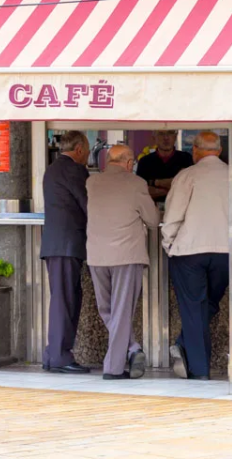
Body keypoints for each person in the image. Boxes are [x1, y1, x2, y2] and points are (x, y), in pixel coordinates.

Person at [162, 131, 232, 380]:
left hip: (190, 251)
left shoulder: (187, 175)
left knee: (194, 308)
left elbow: (173, 214)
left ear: (195, 151)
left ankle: (199, 371)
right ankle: (184, 344)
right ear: (219, 151)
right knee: (209, 303)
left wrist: (169, 244)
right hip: (225, 251)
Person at [85, 144, 159, 380]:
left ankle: (132, 349)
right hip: (126, 255)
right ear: (129, 164)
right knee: (121, 311)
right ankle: (114, 367)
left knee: (107, 309)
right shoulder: (136, 183)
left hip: (97, 255)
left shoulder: (92, 182)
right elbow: (153, 220)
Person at [41, 130, 90, 374]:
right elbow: (88, 203)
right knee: (65, 300)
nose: (88, 156)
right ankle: (60, 355)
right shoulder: (75, 170)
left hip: (57, 244)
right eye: (88, 151)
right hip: (67, 243)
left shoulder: (53, 168)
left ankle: (54, 354)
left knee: (63, 298)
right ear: (79, 149)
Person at [137, 129, 194, 201]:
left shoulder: (186, 159)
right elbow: (142, 192)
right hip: (152, 209)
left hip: (180, 209)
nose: (166, 137)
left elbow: (190, 188)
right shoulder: (145, 162)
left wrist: (155, 183)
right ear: (154, 138)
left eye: (170, 133)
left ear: (175, 137)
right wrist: (175, 187)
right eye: (161, 133)